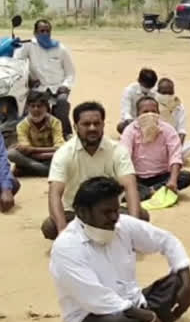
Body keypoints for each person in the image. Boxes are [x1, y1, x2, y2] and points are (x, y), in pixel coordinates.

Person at [49, 177, 190, 322]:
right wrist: (149, 316)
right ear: (82, 212)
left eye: (116, 210)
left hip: (136, 302)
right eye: (106, 212)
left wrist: (187, 281)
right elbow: (96, 299)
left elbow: (167, 241)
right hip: (93, 316)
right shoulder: (66, 247)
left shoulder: (122, 224)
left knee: (178, 282)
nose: (114, 218)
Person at [42, 101, 148, 241]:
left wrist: (135, 226)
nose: (92, 128)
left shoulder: (117, 150)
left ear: (103, 125)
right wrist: (62, 230)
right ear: (75, 127)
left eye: (97, 123)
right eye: (86, 124)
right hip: (77, 213)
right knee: (50, 227)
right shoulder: (64, 153)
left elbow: (130, 187)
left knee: (141, 216)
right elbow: (54, 194)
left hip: (110, 213)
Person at [120, 96, 190, 200]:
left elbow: (175, 156)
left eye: (153, 111)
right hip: (137, 177)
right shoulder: (130, 131)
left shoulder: (168, 130)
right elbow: (124, 156)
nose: (150, 115)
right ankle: (151, 192)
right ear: (138, 115)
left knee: (185, 177)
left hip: (162, 176)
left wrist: (172, 180)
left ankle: (148, 191)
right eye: (145, 112)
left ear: (158, 113)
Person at [16, 19, 75, 138]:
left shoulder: (60, 49)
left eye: (47, 31)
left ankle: (65, 134)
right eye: (41, 31)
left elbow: (70, 73)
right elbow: (17, 63)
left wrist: (65, 86)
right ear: (35, 32)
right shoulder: (28, 46)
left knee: (62, 103)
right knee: (30, 105)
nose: (45, 34)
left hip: (58, 87)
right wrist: (28, 79)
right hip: (39, 87)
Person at [7, 91, 64, 176]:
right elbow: (25, 148)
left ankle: (32, 169)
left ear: (46, 108)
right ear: (28, 108)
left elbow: (60, 147)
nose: (36, 109)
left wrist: (33, 150)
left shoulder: (55, 122)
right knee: (11, 153)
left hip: (49, 157)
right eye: (32, 106)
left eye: (39, 106)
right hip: (34, 158)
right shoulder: (22, 125)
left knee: (66, 153)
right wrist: (34, 152)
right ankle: (44, 170)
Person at [154, 78, 190, 160]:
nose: (167, 95)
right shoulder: (152, 103)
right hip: (155, 144)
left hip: (173, 144)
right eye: (164, 93)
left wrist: (176, 150)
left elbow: (182, 131)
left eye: (170, 92)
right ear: (158, 91)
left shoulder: (178, 106)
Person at [117, 68, 158, 134]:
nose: (148, 89)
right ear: (139, 81)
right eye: (146, 86)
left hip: (152, 121)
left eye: (150, 87)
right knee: (121, 127)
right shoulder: (129, 91)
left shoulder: (156, 90)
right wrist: (133, 122)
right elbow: (125, 112)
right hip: (134, 121)